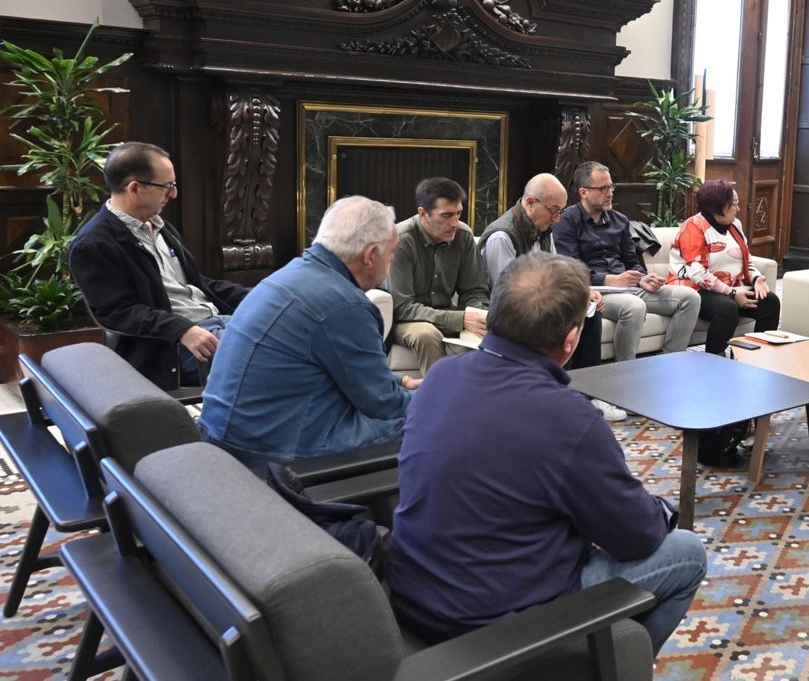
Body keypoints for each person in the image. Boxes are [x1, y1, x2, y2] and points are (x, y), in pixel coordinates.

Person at [386, 252, 706, 681]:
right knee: (686, 552)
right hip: (493, 620)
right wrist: (656, 509)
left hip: (416, 593)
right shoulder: (569, 418)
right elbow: (636, 535)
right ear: (571, 339)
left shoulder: (442, 377)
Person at [198, 196, 417, 465]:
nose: (392, 261)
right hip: (271, 454)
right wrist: (438, 397)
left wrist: (402, 383)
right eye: (392, 253)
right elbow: (383, 404)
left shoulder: (288, 275)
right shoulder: (345, 305)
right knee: (427, 417)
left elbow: (343, 371)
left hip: (222, 436)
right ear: (371, 255)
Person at [69, 141, 248, 390]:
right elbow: (118, 312)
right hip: (174, 346)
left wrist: (260, 297)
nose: (174, 194)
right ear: (135, 188)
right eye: (168, 186)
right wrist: (183, 330)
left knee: (292, 334)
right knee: (279, 358)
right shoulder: (93, 245)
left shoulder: (161, 226)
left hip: (217, 322)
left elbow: (195, 284)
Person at [479, 172, 626, 421]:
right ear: (530, 203)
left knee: (587, 314)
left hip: (538, 302)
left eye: (561, 211)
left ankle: (587, 394)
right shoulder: (502, 237)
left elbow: (557, 271)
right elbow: (507, 295)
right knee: (561, 320)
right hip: (511, 313)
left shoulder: (543, 229)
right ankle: (554, 396)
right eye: (553, 211)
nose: (558, 219)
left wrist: (583, 292)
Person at [554, 161, 701, 361]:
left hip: (629, 286)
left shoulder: (620, 221)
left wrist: (643, 278)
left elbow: (632, 260)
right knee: (634, 306)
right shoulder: (567, 221)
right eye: (603, 188)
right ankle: (626, 372)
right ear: (584, 192)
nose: (610, 193)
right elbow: (570, 269)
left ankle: (670, 362)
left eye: (611, 187)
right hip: (597, 290)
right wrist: (609, 280)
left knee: (690, 298)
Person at [389, 177, 491, 375]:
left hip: (448, 312)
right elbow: (401, 308)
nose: (455, 223)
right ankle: (437, 402)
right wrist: (460, 319)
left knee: (495, 329)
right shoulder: (401, 240)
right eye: (446, 216)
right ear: (423, 214)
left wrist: (479, 315)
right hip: (406, 319)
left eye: (458, 214)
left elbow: (475, 290)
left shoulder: (463, 236)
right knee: (427, 334)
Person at [666, 179, 779, 354]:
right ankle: (715, 359)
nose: (738, 209)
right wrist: (732, 293)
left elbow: (746, 260)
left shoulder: (735, 225)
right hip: (693, 289)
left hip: (730, 289)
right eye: (734, 204)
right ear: (718, 206)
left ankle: (758, 357)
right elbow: (697, 273)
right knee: (727, 308)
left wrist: (757, 279)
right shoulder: (694, 227)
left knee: (770, 302)